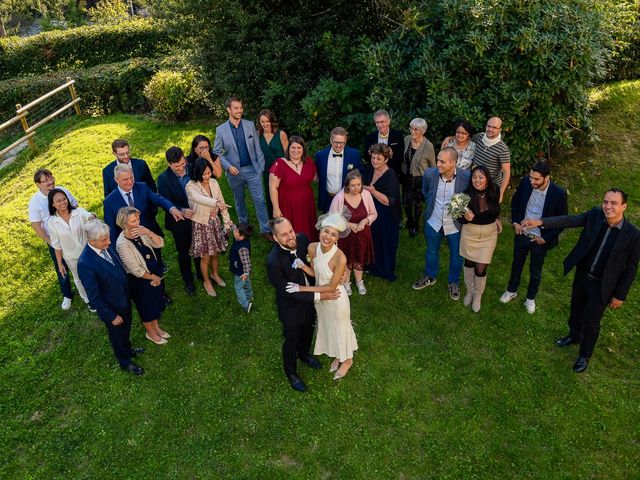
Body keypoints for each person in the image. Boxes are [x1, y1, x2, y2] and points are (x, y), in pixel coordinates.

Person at [521, 188, 640, 373]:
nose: (608, 206)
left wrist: (620, 295)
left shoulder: (633, 235)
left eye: (614, 203)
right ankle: (574, 335)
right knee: (575, 309)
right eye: (606, 201)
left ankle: (585, 355)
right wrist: (541, 221)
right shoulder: (595, 215)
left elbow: (631, 268)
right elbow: (570, 220)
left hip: (603, 285)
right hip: (583, 275)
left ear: (624, 206)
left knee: (592, 322)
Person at [265, 217, 339, 392]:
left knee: (308, 330)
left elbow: (318, 261)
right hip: (291, 308)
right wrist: (321, 296)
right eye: (284, 235)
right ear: (275, 238)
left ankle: (304, 354)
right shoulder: (273, 262)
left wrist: (337, 273)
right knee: (291, 340)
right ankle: (291, 372)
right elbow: (289, 292)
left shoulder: (303, 239)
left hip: (310, 302)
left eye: (290, 231)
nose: (291, 237)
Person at [285, 213, 358, 380]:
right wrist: (303, 266)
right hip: (321, 300)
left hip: (335, 298)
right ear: (320, 230)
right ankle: (338, 356)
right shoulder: (312, 248)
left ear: (338, 237)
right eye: (326, 231)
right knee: (329, 328)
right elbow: (316, 273)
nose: (328, 237)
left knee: (340, 329)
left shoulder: (340, 258)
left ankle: (347, 360)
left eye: (334, 234)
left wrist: (302, 288)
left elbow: (331, 286)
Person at [77, 220, 145, 376]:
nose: (109, 241)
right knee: (117, 335)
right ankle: (125, 362)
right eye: (104, 240)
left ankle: (128, 349)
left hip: (124, 299)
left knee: (126, 329)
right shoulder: (85, 263)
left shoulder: (106, 245)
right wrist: (110, 315)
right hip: (113, 308)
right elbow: (94, 296)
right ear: (92, 241)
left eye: (108, 238)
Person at [500, 161, 568, 313]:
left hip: (540, 239)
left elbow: (562, 221)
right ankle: (512, 290)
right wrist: (516, 222)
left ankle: (530, 298)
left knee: (535, 271)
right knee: (516, 264)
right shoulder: (526, 183)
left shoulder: (558, 194)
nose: (532, 181)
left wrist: (546, 238)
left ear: (547, 178)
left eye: (536, 179)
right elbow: (516, 203)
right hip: (522, 234)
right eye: (531, 177)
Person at [412, 147, 471, 300]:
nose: (437, 163)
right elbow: (426, 193)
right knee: (431, 252)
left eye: (442, 161)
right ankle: (430, 276)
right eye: (438, 159)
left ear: (453, 163)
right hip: (434, 221)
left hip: (455, 225)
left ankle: (454, 282)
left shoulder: (466, 177)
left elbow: (470, 196)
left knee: (457, 256)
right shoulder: (430, 174)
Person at [212, 96, 272, 240]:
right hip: (234, 173)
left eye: (241, 107)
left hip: (253, 170)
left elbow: (258, 149)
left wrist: (260, 169)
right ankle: (244, 228)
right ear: (229, 110)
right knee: (239, 202)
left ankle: (265, 229)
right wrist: (227, 167)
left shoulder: (250, 125)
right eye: (236, 108)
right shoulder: (221, 130)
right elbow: (217, 152)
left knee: (260, 201)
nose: (240, 110)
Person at [116, 207, 170, 346]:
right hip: (141, 280)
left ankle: (156, 327)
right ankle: (150, 333)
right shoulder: (122, 244)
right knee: (146, 307)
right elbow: (135, 269)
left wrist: (148, 232)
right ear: (124, 223)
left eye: (138, 219)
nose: (137, 222)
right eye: (133, 221)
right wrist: (153, 278)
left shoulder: (141, 231)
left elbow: (160, 243)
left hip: (154, 273)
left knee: (155, 303)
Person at [28, 168, 78, 310]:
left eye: (51, 178)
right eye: (46, 180)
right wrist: (51, 242)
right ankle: (67, 295)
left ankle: (88, 285)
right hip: (55, 240)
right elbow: (35, 225)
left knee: (80, 260)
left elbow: (75, 206)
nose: (51, 182)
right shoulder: (35, 202)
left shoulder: (62, 191)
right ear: (38, 184)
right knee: (61, 267)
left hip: (72, 233)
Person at [157, 146, 201, 295]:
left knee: (199, 247)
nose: (182, 168)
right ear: (169, 164)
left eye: (183, 163)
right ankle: (188, 280)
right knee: (184, 252)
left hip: (198, 216)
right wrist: (181, 210)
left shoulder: (193, 167)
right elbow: (164, 201)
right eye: (177, 166)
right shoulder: (163, 179)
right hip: (180, 222)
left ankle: (201, 273)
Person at [186, 158, 233, 297]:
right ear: (197, 173)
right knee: (205, 257)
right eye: (204, 174)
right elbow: (198, 199)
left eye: (208, 173)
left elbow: (222, 203)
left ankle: (215, 274)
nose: (207, 176)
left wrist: (227, 222)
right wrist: (215, 203)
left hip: (214, 222)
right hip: (201, 224)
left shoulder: (213, 182)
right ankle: (206, 281)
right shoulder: (191, 186)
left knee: (215, 253)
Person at [459, 165, 502, 312]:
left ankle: (478, 294)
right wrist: (465, 218)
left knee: (480, 267)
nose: (477, 180)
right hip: (470, 233)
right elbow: (460, 220)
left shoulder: (494, 190)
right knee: (469, 263)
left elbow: (496, 209)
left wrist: (497, 218)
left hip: (489, 235)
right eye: (474, 177)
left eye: (481, 177)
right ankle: (469, 290)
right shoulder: (465, 195)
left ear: (487, 179)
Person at [329, 169, 377, 295]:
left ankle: (359, 281)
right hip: (345, 235)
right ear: (347, 185)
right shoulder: (339, 198)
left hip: (362, 234)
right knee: (346, 259)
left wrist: (365, 221)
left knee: (359, 258)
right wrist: (348, 224)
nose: (356, 188)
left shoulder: (366, 195)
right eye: (353, 185)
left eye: (359, 185)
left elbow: (373, 214)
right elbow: (332, 218)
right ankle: (346, 282)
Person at [47, 188, 96, 309]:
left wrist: (91, 216)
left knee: (96, 272)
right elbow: (56, 245)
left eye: (64, 199)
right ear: (53, 204)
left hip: (88, 251)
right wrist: (60, 264)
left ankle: (102, 292)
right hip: (71, 257)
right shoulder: (52, 222)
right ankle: (88, 300)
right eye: (58, 201)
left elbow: (88, 216)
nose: (62, 202)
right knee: (78, 278)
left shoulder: (78, 212)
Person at [444, 117, 510, 202]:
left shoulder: (503, 148)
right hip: (476, 181)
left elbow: (506, 172)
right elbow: (464, 136)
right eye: (488, 126)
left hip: (491, 184)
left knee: (488, 210)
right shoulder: (479, 137)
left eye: (494, 127)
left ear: (500, 129)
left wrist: (500, 193)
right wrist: (449, 138)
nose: (490, 129)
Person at [363, 143, 401, 281]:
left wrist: (373, 191)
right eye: (373, 157)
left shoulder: (390, 175)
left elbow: (389, 201)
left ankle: (384, 269)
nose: (375, 161)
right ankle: (371, 266)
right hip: (370, 212)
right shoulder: (369, 170)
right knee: (371, 240)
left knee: (384, 241)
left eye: (379, 159)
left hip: (386, 215)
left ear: (386, 159)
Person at [269, 135, 318, 241]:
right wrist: (276, 208)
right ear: (288, 148)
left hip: (306, 203)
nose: (296, 150)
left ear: (303, 149)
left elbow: (316, 178)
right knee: (291, 228)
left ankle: (309, 246)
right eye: (293, 147)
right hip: (288, 204)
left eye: (299, 147)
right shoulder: (280, 164)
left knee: (308, 226)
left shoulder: (309, 162)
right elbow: (273, 187)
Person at [315, 127, 364, 213]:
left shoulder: (354, 155)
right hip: (328, 199)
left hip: (348, 198)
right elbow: (318, 175)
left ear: (346, 141)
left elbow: (360, 175)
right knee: (328, 225)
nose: (338, 145)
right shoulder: (320, 156)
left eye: (341, 142)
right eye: (336, 142)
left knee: (347, 225)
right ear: (331, 140)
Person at [402, 118, 436, 237]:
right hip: (407, 177)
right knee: (405, 202)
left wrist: (431, 182)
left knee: (417, 204)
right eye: (411, 128)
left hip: (420, 179)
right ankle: (409, 221)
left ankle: (415, 225)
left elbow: (433, 166)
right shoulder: (406, 140)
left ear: (423, 131)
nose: (412, 131)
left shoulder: (428, 146)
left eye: (416, 129)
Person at [257, 109, 289, 218]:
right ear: (259, 122)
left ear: (271, 121)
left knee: (283, 195)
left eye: (267, 121)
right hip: (267, 171)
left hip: (281, 170)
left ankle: (287, 219)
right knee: (270, 196)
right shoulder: (257, 135)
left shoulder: (281, 134)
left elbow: (288, 155)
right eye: (262, 122)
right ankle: (274, 223)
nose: (265, 124)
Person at [363, 109, 404, 176]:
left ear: (388, 121)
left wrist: (391, 154)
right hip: (374, 173)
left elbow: (400, 157)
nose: (379, 125)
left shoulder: (398, 135)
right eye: (377, 122)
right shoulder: (370, 137)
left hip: (392, 173)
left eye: (382, 122)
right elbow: (365, 156)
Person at [229, 223, 254, 313]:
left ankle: (246, 304)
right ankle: (249, 295)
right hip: (241, 269)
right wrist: (232, 225)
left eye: (235, 231)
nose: (234, 232)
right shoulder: (240, 238)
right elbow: (236, 229)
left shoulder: (242, 248)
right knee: (246, 282)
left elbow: (246, 262)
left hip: (240, 271)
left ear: (242, 235)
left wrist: (246, 273)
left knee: (238, 287)